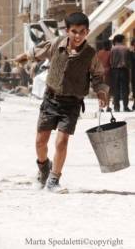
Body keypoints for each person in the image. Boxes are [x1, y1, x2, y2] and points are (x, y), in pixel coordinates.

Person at [15, 12, 108, 193]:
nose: (78, 36)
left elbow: (97, 75)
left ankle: (54, 180)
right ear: (67, 31)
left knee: (61, 142)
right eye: (74, 31)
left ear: (87, 31)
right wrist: (24, 56)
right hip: (51, 100)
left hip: (72, 104)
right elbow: (38, 52)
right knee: (40, 142)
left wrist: (101, 92)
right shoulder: (57, 44)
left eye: (82, 32)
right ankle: (44, 168)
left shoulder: (90, 54)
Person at [110, 34, 131, 112]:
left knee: (116, 89)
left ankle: (116, 107)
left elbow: (111, 61)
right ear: (122, 40)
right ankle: (125, 106)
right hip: (124, 70)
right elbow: (128, 61)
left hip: (115, 70)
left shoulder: (113, 49)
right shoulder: (126, 48)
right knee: (125, 89)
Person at [97, 40, 112, 111]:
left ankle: (100, 107)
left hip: (99, 73)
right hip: (107, 73)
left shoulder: (99, 53)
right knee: (107, 90)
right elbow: (111, 63)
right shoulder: (110, 53)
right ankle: (108, 106)